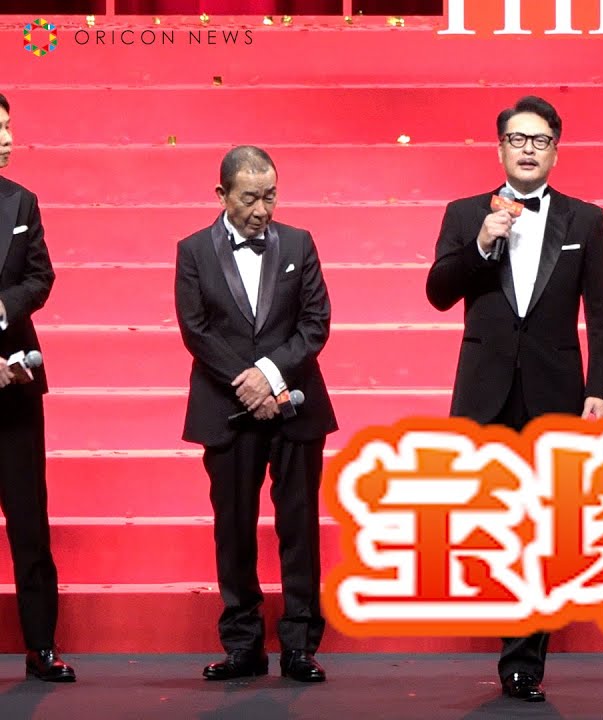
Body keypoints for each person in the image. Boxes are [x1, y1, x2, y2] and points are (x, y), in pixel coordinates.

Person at [426, 96, 603, 703]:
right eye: (517, 139)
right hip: (484, 392)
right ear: (500, 149)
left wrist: (601, 387)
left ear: (556, 150)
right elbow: (438, 293)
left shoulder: (584, 220)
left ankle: (522, 662)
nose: (528, 149)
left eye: (539, 140)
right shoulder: (465, 214)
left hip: (554, 392)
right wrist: (481, 245)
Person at [175, 146, 337, 683]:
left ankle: (300, 645)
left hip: (295, 406)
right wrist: (247, 384)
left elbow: (315, 322)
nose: (261, 210)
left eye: (270, 196)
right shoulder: (193, 250)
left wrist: (268, 375)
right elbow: (196, 329)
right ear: (222, 195)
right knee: (234, 530)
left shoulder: (299, 243)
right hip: (226, 407)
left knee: (299, 528)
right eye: (249, 198)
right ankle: (243, 644)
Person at [0, 92, 75, 683]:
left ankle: (41, 646)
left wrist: (2, 307)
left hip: (16, 388)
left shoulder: (21, 201)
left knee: (29, 518)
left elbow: (40, 276)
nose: (6, 139)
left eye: (7, 127)